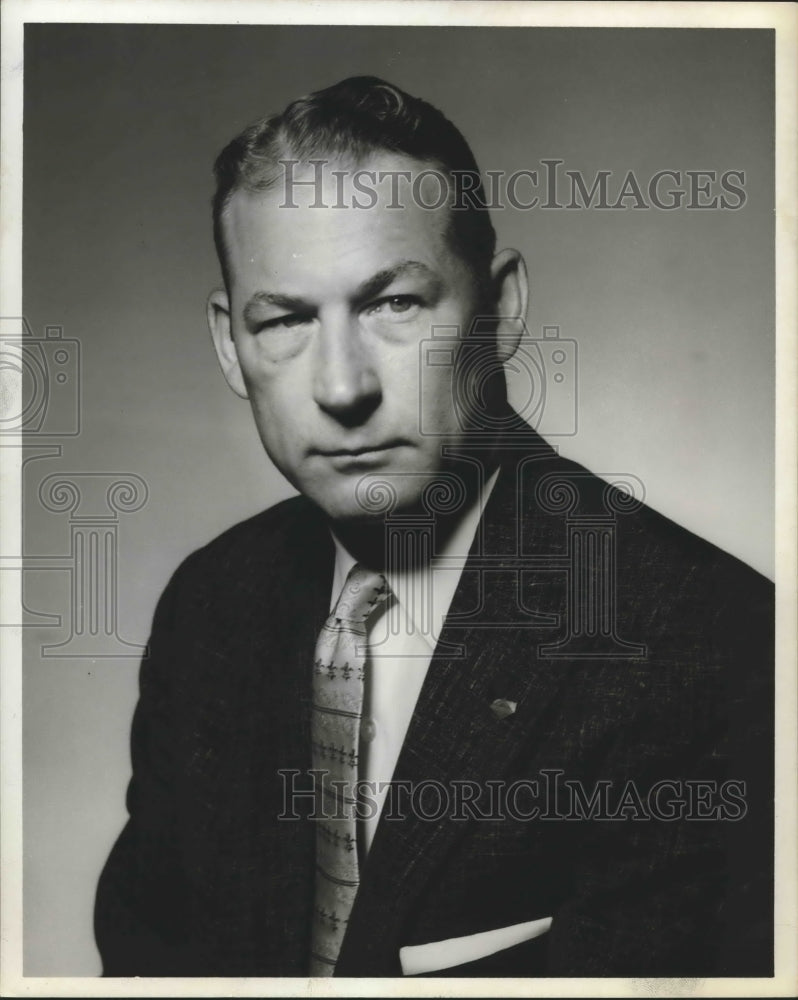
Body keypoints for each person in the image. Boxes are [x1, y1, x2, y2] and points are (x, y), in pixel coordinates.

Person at [94, 76, 773, 978]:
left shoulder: (706, 637)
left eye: (394, 305)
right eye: (287, 320)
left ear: (503, 309)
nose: (342, 388)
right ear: (231, 346)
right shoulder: (210, 604)